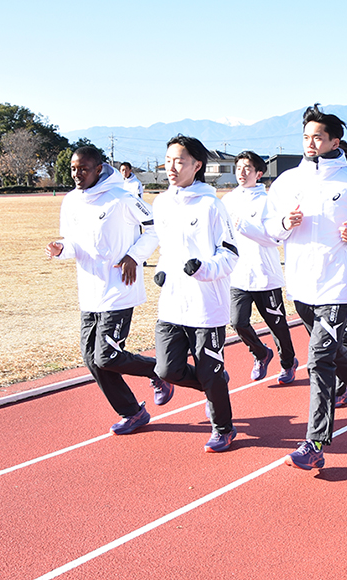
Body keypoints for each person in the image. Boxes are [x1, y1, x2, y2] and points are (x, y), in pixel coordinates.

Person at [263, 104, 347, 470]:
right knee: (329, 354)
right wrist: (284, 222)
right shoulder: (288, 181)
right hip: (301, 284)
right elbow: (270, 228)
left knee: (319, 360)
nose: (311, 143)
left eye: (318, 137)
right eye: (306, 137)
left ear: (334, 141)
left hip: (338, 283)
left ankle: (314, 442)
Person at [44, 146, 171, 435]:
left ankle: (158, 371)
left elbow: (155, 229)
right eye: (74, 169)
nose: (77, 174)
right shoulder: (71, 201)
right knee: (92, 359)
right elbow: (73, 242)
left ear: (99, 168)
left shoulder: (123, 197)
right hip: (89, 290)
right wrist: (61, 249)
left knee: (107, 356)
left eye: (84, 168)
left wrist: (134, 257)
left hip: (119, 288)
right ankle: (133, 412)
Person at [152, 135, 239, 453]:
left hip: (207, 305)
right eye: (168, 160)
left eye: (180, 161)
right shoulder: (160, 203)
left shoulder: (211, 206)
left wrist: (202, 268)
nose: (171, 167)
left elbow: (230, 255)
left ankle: (224, 429)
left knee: (209, 369)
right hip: (173, 304)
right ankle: (214, 382)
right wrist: (162, 269)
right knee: (167, 369)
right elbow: (167, 249)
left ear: (197, 165)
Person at [222, 151, 298, 383]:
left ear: (259, 173)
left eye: (247, 168)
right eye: (239, 168)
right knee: (237, 322)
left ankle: (288, 363)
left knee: (278, 326)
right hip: (238, 276)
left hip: (265, 275)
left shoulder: (267, 202)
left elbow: (274, 238)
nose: (242, 173)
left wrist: (245, 227)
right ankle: (261, 353)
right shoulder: (227, 201)